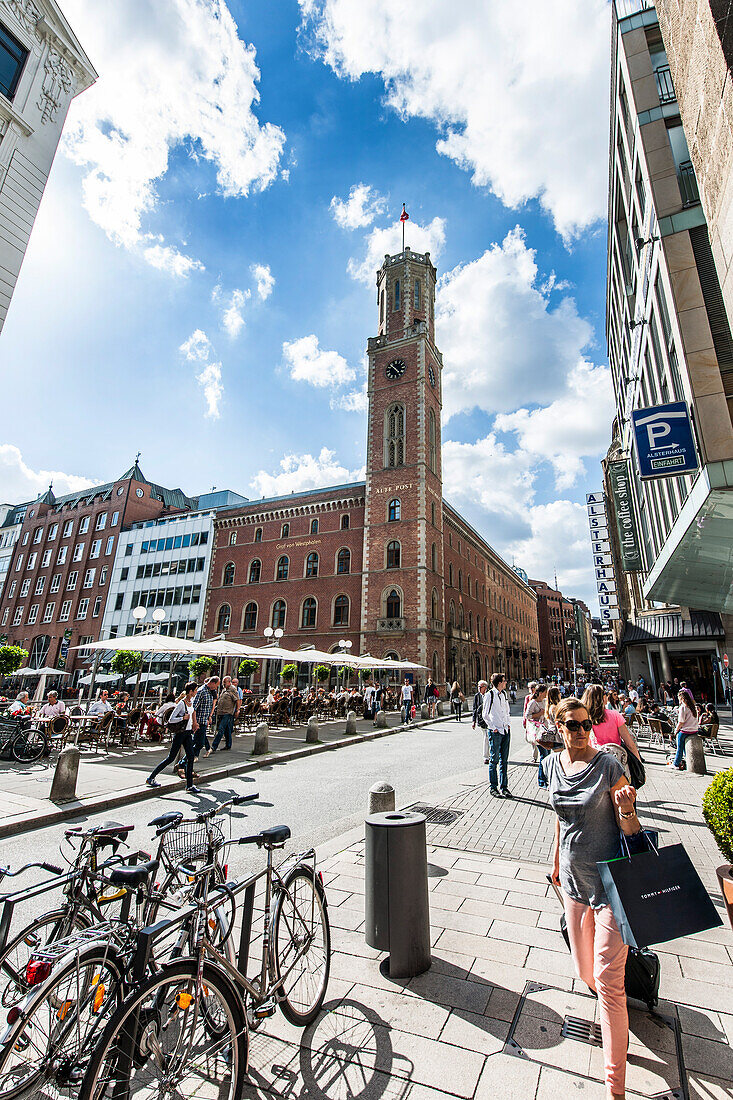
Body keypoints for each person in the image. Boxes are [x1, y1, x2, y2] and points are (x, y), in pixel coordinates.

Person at [545, 697, 642, 1100]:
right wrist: (554, 863)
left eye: (586, 724)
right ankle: (608, 997)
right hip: (572, 882)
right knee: (586, 971)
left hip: (610, 884)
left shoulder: (608, 766)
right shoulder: (550, 764)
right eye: (573, 726)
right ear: (559, 728)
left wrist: (626, 809)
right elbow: (559, 816)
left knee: (607, 982)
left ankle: (614, 1088)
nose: (582, 731)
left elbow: (633, 832)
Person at [146, 681, 200, 793]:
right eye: (195, 690)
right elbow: (171, 719)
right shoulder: (181, 703)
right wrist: (182, 718)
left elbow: (193, 712)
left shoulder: (192, 701)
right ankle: (151, 777)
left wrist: (194, 723)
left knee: (190, 757)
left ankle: (189, 785)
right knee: (171, 758)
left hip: (188, 733)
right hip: (180, 733)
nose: (196, 692)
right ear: (190, 691)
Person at [581, 684, 643, 773]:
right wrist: (639, 764)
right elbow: (630, 743)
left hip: (593, 761)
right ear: (603, 698)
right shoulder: (615, 715)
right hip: (615, 760)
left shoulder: (584, 717)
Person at [482, 673, 512, 798]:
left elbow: (507, 710)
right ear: (499, 682)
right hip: (495, 731)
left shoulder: (503, 694)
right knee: (494, 760)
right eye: (504, 681)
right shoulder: (490, 695)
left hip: (505, 730)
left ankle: (504, 787)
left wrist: (508, 724)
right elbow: (485, 714)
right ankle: (493, 787)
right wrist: (493, 728)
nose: (505, 683)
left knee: (504, 761)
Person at [525, 684, 551, 788]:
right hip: (538, 732)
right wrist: (539, 714)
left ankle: (546, 778)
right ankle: (541, 781)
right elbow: (527, 716)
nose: (546, 693)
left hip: (546, 731)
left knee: (548, 755)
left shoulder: (545, 702)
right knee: (543, 756)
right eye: (545, 692)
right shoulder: (532, 703)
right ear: (540, 692)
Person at [669, 688, 699, 770]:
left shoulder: (683, 707)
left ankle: (676, 763)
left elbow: (681, 721)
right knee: (685, 747)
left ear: (681, 698)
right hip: (694, 730)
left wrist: (676, 730)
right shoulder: (693, 707)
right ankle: (688, 760)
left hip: (685, 730)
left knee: (680, 747)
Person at [211, 675, 239, 753]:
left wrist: (237, 710)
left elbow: (237, 700)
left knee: (221, 729)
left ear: (229, 682)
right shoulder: (224, 690)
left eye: (225, 682)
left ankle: (214, 746)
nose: (223, 684)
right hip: (221, 712)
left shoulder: (232, 689)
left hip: (228, 712)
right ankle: (228, 745)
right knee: (227, 729)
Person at [192, 676, 218, 758]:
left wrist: (209, 717)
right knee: (196, 742)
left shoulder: (210, 692)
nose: (217, 687)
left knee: (198, 742)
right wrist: (195, 722)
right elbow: (194, 707)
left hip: (204, 720)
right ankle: (188, 759)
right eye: (216, 685)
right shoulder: (201, 691)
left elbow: (209, 706)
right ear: (212, 683)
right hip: (199, 721)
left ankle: (189, 759)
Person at [472, 679, 489, 763]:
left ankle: (489, 755)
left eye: (480, 687)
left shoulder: (489, 695)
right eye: (478, 686)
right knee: (486, 737)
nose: (479, 688)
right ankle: (486, 757)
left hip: (490, 720)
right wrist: (473, 721)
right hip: (482, 720)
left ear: (485, 687)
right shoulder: (477, 696)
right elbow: (474, 709)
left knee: (489, 737)